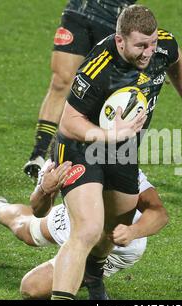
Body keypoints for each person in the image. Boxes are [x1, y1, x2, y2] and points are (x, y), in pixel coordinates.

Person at [53, 4, 182, 300]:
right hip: (81, 148)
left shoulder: (161, 45)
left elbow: (175, 59)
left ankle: (94, 276)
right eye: (140, 46)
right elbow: (68, 123)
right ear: (120, 40)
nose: (148, 52)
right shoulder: (99, 67)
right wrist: (108, 135)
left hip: (122, 150)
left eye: (152, 44)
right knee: (88, 229)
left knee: (115, 229)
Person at [0, 160, 168, 300]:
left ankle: (92, 280)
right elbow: (38, 210)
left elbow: (159, 213)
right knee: (26, 230)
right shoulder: (61, 160)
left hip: (117, 248)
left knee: (31, 288)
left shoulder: (122, 167)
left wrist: (133, 232)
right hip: (77, 222)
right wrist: (46, 188)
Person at [24, 0, 138, 179]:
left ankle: (85, 161)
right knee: (61, 81)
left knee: (100, 96)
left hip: (115, 21)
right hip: (79, 10)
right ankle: (38, 156)